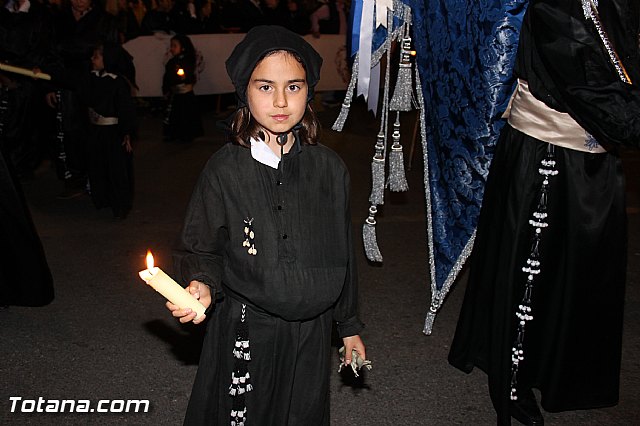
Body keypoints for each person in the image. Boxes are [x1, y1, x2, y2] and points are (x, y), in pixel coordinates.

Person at [448, 0, 640, 425]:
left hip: (596, 158)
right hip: (547, 155)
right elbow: (586, 79)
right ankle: (510, 380)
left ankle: (556, 371)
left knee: (582, 267)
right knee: (529, 277)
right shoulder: (554, 4)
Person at [167, 25, 366, 425]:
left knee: (301, 414)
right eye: (265, 87)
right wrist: (202, 282)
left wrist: (348, 326)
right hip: (249, 327)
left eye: (293, 87)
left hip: (313, 332)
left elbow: (343, 249)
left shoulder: (329, 168)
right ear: (245, 92)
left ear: (309, 90)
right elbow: (202, 245)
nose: (280, 101)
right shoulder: (225, 169)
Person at [162, 33, 203, 143]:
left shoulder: (188, 61)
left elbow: (190, 75)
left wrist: (185, 77)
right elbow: (167, 77)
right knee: (174, 114)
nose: (172, 49)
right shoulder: (171, 62)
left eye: (174, 46)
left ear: (183, 47)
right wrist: (165, 89)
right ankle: (173, 133)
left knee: (185, 114)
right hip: (175, 94)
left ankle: (186, 134)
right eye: (171, 46)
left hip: (185, 94)